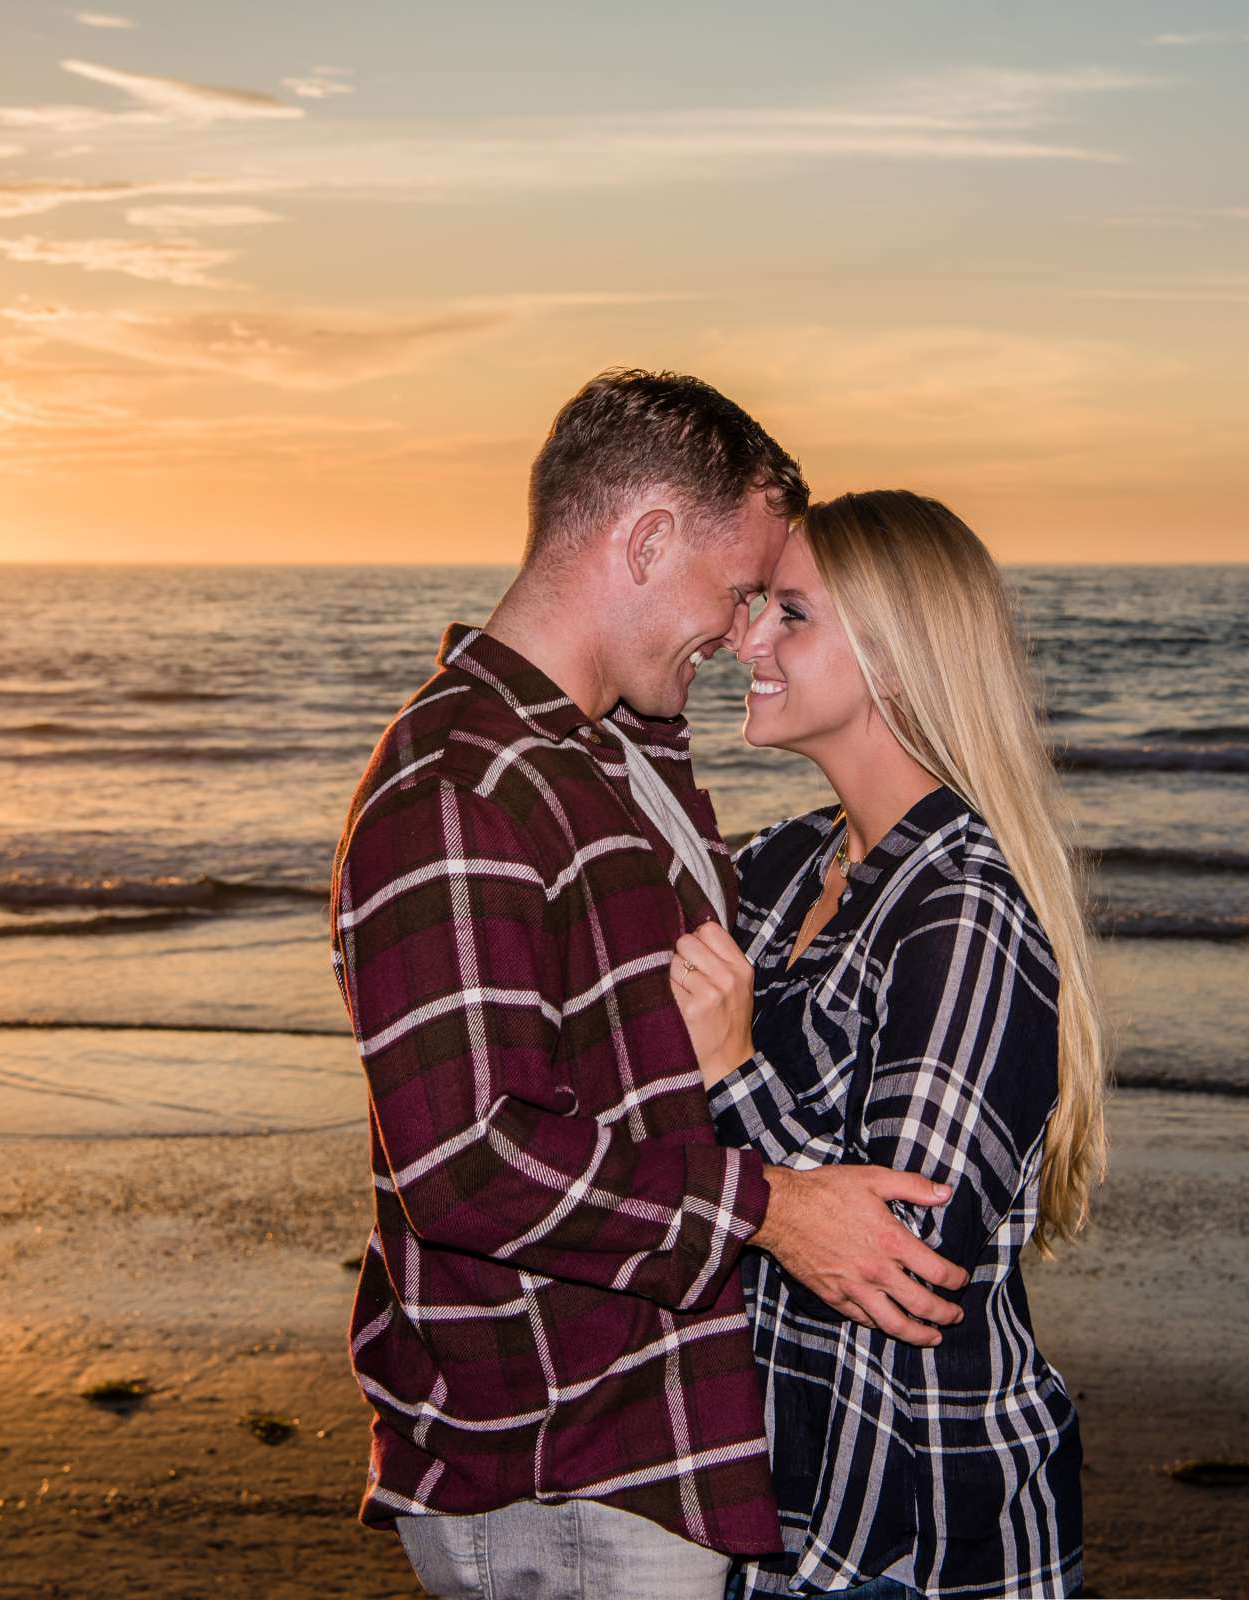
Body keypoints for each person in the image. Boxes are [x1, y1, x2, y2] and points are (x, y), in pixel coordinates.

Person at [328, 373, 972, 1600]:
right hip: (564, 1471)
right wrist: (770, 1209)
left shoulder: (603, 756)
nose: (741, 634)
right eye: (736, 592)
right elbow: (464, 1158)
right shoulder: (463, 786)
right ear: (646, 540)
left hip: (634, 1451)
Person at [669, 489, 1106, 1600]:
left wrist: (732, 1075)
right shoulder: (775, 871)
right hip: (778, 1518)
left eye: (793, 616)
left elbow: (904, 1253)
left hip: (916, 1535)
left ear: (900, 662)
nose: (746, 637)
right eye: (757, 605)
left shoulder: (963, 911)